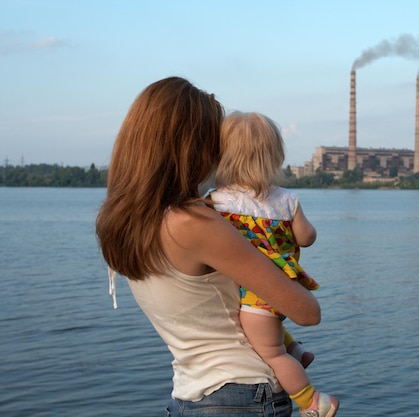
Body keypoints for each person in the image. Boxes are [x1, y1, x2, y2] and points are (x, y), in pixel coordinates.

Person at [95, 77, 322, 417]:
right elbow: (307, 312)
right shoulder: (194, 223)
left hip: (190, 395)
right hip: (243, 395)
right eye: (215, 143)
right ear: (193, 148)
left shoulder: (125, 224)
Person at [210, 111, 339, 417]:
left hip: (255, 292)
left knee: (271, 354)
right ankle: (297, 351)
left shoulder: (216, 202)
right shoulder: (287, 201)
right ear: (275, 156)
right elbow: (306, 238)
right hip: (283, 287)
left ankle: (313, 402)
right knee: (268, 333)